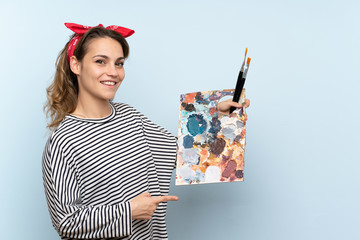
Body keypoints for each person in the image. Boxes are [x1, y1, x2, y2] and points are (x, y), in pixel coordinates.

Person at [43, 23, 250, 239]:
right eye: (100, 61)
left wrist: (219, 115)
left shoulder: (131, 117)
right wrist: (129, 211)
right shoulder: (63, 141)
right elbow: (66, 221)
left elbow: (185, 154)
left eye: (119, 63)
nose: (113, 72)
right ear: (76, 65)